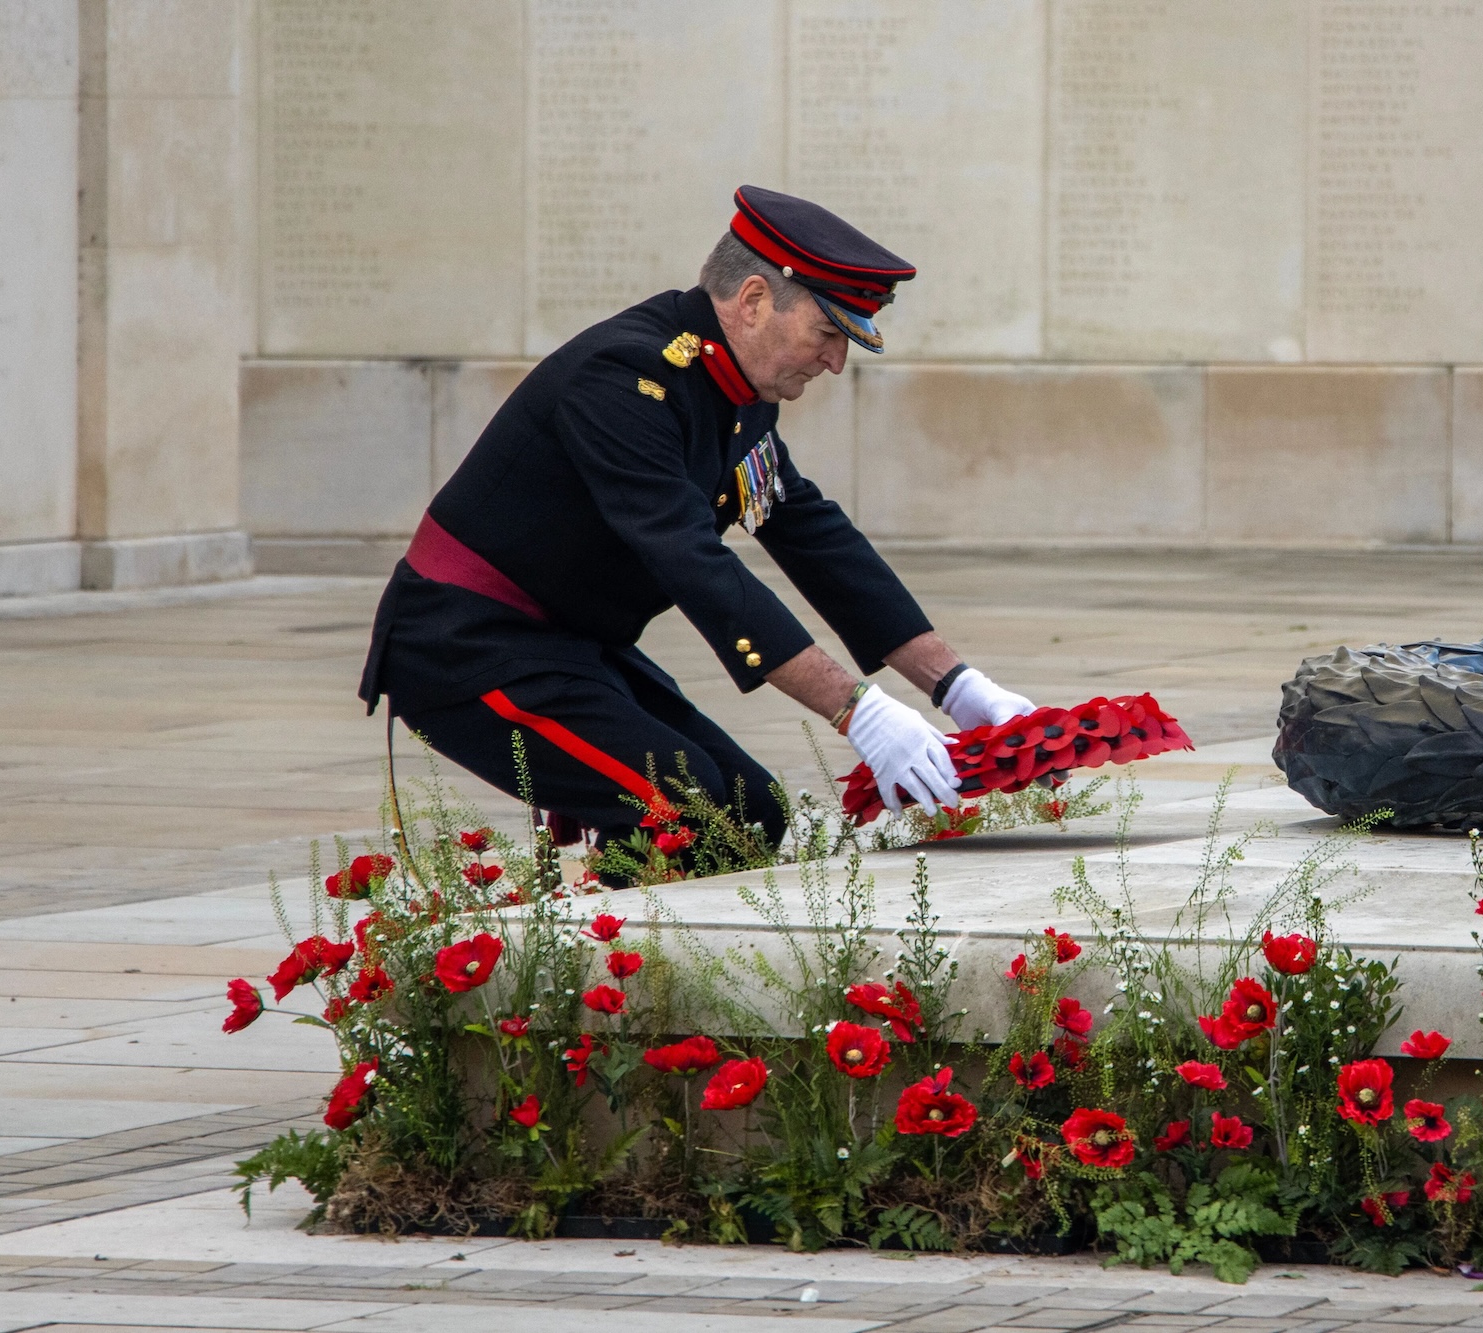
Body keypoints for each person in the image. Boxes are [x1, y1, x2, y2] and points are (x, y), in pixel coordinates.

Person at [359, 185, 1035, 872]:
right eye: (828, 334)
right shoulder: (625, 381)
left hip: (566, 645)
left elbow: (811, 533)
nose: (835, 362)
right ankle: (601, 967)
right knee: (692, 815)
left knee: (752, 812)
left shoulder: (734, 391)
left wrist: (958, 685)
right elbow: (693, 562)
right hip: (466, 643)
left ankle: (622, 953)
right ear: (752, 301)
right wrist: (857, 710)